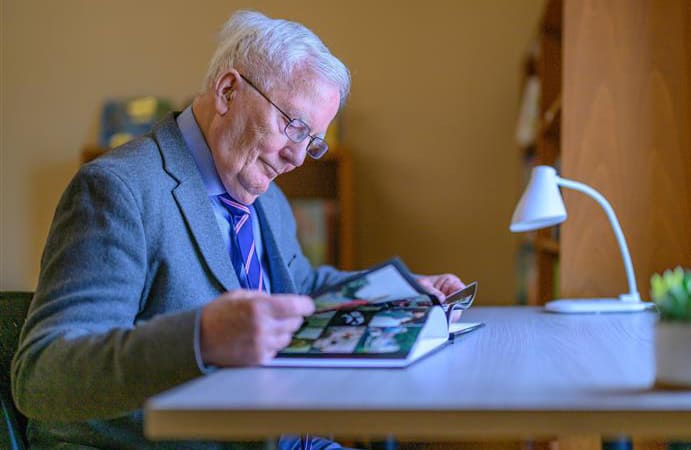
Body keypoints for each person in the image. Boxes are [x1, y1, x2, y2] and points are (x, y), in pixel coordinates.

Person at [11, 10, 465, 450]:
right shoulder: (117, 190)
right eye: (294, 126)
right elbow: (43, 375)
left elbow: (301, 288)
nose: (298, 157)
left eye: (312, 140)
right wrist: (201, 338)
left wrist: (401, 294)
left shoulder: (265, 195)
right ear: (228, 90)